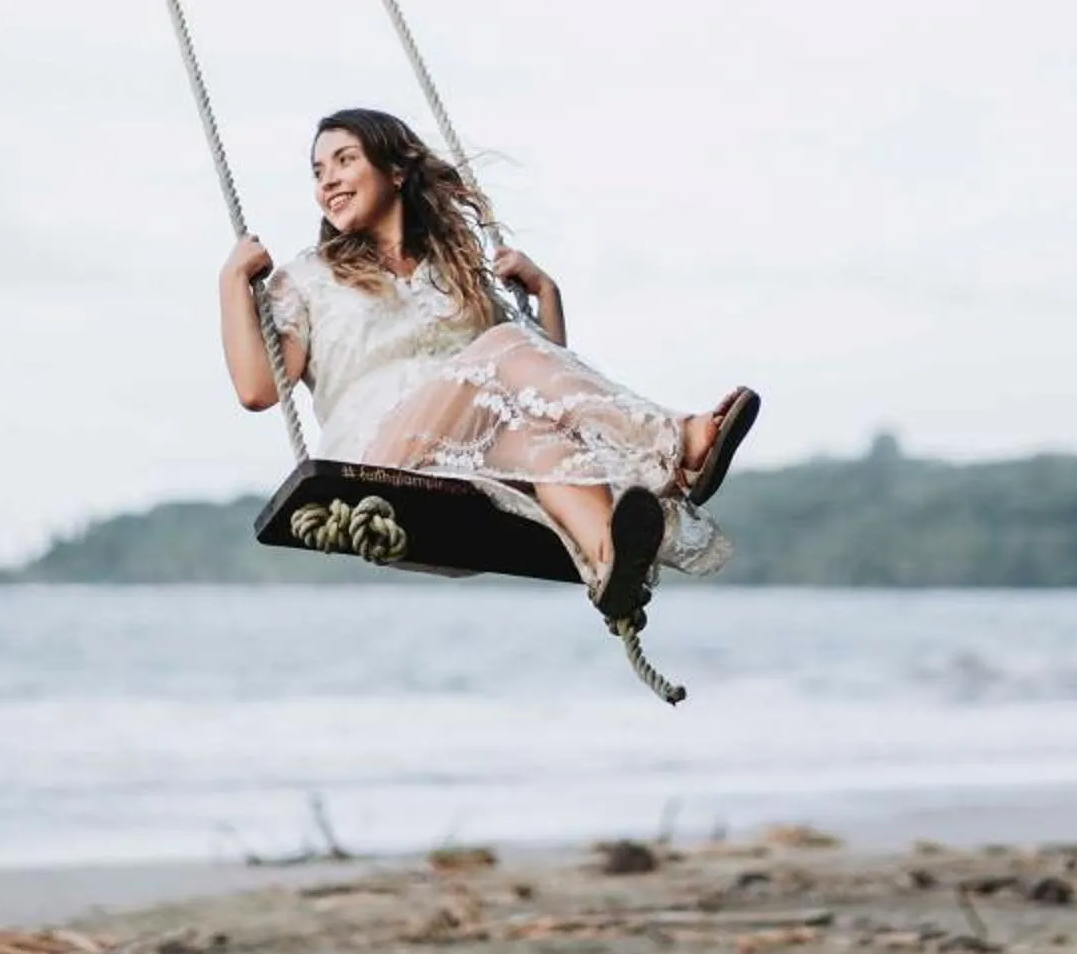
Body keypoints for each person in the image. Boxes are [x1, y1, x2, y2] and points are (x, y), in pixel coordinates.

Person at [217, 107, 756, 619]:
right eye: (318, 170)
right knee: (504, 345)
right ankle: (675, 443)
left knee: (547, 440)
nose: (328, 180)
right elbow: (258, 390)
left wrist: (547, 294)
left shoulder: (458, 278)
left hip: (466, 485)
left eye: (344, 160)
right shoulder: (311, 279)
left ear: (397, 170)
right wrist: (233, 283)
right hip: (380, 469)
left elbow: (543, 387)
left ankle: (612, 567)